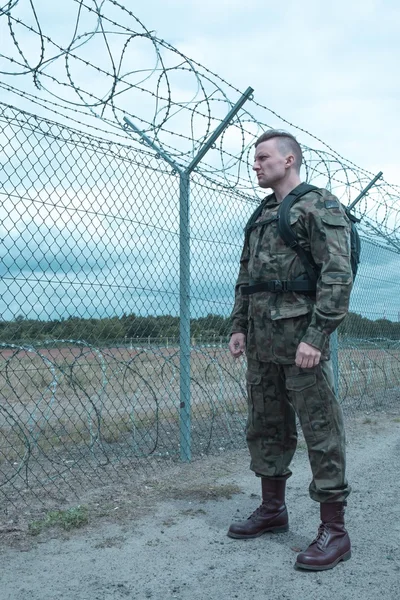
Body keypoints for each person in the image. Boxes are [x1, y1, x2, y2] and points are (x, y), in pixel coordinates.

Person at [228, 129, 353, 571]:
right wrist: (238, 326)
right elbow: (247, 277)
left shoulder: (318, 206)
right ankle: (272, 510)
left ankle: (334, 531)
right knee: (265, 426)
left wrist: (317, 337)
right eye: (254, 158)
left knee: (320, 431)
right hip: (262, 344)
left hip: (302, 343)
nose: (256, 164)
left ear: (290, 160)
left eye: (263, 157)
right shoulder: (261, 214)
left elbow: (337, 276)